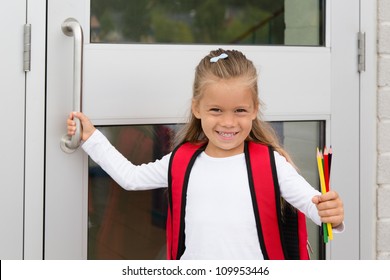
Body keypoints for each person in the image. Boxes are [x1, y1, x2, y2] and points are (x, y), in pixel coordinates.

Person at [67, 49, 344, 260]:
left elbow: (317, 208)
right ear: (197, 108)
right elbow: (131, 177)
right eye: (216, 110)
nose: (228, 122)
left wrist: (332, 213)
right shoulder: (182, 161)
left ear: (255, 109)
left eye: (240, 111)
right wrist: (91, 139)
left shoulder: (272, 164)